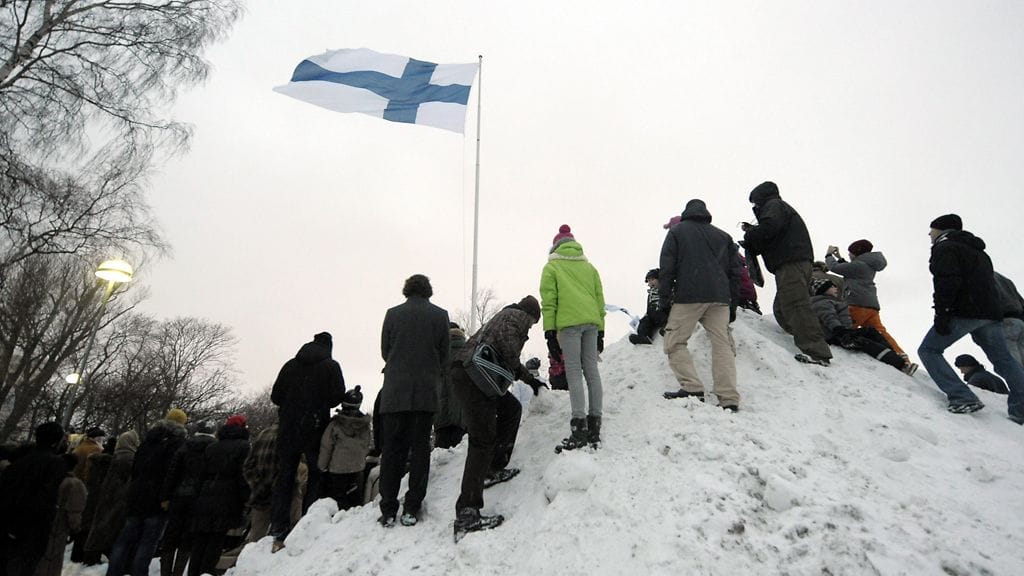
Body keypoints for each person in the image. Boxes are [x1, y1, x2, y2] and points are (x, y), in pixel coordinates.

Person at [451, 296, 545, 542]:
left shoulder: (506, 316)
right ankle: (467, 513)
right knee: (482, 439)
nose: (531, 327)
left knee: (511, 408)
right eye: (534, 323)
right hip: (473, 377)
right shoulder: (516, 318)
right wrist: (528, 377)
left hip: (473, 375)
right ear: (532, 315)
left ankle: (494, 466)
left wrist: (525, 376)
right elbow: (508, 349)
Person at [917, 213, 1024, 422]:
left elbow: (947, 281)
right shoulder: (979, 252)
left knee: (929, 350)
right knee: (1004, 360)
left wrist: (943, 313)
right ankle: (1021, 409)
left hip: (964, 311)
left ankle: (962, 397)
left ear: (942, 229)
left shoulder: (944, 247)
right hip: (991, 314)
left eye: (932, 229)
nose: (929, 233)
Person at [377, 274, 450, 527]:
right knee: (420, 450)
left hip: (395, 392)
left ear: (406, 290)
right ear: (428, 291)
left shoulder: (392, 314)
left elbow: (385, 351)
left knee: (392, 451)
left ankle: (387, 509)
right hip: (425, 392)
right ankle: (411, 507)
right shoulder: (440, 316)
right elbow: (445, 355)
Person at [658, 200, 743, 411]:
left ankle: (692, 386)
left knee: (674, 341)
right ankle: (729, 397)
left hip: (689, 294)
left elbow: (667, 268)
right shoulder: (723, 236)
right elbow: (736, 273)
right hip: (720, 297)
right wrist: (733, 303)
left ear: (686, 213)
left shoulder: (677, 232)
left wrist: (664, 300)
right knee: (722, 345)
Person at [741, 181, 832, 366]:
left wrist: (751, 235)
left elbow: (770, 228)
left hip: (791, 263)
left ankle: (817, 351)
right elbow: (773, 233)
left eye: (755, 202)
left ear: (761, 198)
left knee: (797, 305)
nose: (755, 206)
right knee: (782, 308)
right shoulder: (779, 208)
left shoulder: (774, 206)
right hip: (793, 263)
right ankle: (809, 335)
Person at [269, 331, 345, 549]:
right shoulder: (331, 366)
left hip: (288, 426)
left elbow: (275, 396)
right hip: (314, 426)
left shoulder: (290, 365)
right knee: (316, 474)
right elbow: (336, 396)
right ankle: (307, 524)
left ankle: (279, 529)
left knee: (284, 477)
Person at [540, 225, 606, 451]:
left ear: (555, 245)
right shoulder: (590, 268)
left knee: (574, 372)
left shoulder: (552, 267)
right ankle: (595, 426)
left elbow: (549, 301)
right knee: (592, 372)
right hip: (591, 323)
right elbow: (600, 301)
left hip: (568, 325)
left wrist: (549, 331)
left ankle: (579, 428)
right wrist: (601, 331)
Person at [106, 409, 187, 576]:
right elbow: (172, 473)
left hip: (136, 495)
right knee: (147, 543)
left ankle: (114, 571)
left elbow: (135, 468)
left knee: (125, 538)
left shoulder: (148, 440)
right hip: (157, 499)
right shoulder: (177, 444)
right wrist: (166, 497)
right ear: (182, 424)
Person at [809, 278, 917, 374]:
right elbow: (829, 317)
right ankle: (900, 365)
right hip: (836, 335)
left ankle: (893, 353)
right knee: (865, 342)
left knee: (870, 331)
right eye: (831, 286)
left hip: (844, 331)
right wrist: (839, 330)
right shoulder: (822, 302)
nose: (835, 287)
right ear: (824, 290)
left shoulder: (832, 301)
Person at [0, 422, 67, 576]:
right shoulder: (55, 464)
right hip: (32, 529)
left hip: (8, 523)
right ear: (56, 441)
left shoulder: (20, 460)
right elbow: (44, 498)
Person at [825, 239, 909, 360]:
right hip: (871, 306)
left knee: (844, 329)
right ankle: (900, 356)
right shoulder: (867, 265)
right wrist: (839, 256)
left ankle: (843, 353)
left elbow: (834, 267)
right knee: (881, 333)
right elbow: (849, 270)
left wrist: (828, 254)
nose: (849, 254)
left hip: (857, 304)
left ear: (857, 252)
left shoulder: (859, 265)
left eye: (851, 252)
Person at [188, 415, 250, 576]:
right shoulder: (244, 447)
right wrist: (246, 498)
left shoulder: (212, 447)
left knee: (200, 542)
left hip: (205, 496)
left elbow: (200, 476)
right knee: (216, 541)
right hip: (228, 498)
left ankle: (193, 572)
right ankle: (207, 572)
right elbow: (242, 475)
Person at [159, 420, 216, 576]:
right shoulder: (213, 449)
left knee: (171, 535)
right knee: (187, 538)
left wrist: (166, 496)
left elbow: (172, 473)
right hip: (198, 499)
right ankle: (178, 572)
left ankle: (165, 572)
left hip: (178, 496)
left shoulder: (185, 446)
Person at [243, 424, 305, 545]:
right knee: (293, 532)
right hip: (287, 492)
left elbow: (247, 465)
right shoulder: (294, 435)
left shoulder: (263, 434)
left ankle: (251, 561)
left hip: (261, 492)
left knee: (256, 538)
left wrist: (257, 484)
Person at [84, 431, 139, 565]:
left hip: (104, 497)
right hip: (119, 500)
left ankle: (91, 557)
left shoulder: (111, 457)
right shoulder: (129, 460)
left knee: (100, 528)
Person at [318, 386, 373, 511]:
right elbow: (366, 445)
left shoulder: (335, 424)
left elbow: (326, 447)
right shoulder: (364, 426)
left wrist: (322, 467)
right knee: (355, 504)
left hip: (337, 471)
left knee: (338, 502)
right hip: (358, 469)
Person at [35, 453, 87, 576]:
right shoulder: (74, 484)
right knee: (51, 561)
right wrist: (76, 528)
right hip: (58, 528)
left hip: (40, 526)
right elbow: (74, 511)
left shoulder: (46, 478)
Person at [73, 436, 116, 565]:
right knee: (97, 526)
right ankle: (91, 557)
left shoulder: (94, 460)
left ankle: (77, 554)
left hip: (89, 493)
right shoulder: (111, 463)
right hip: (101, 497)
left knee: (86, 524)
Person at [434, 322, 468, 449]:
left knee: (441, 460)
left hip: (440, 414)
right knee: (458, 460)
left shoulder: (437, 354)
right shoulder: (469, 353)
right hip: (463, 415)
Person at [993, 271, 1024, 366]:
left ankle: (1019, 380)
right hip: (1019, 320)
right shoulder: (1006, 280)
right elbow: (1021, 301)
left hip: (1005, 319)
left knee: (1013, 360)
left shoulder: (987, 276)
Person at [629, 268, 665, 345]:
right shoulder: (650, 294)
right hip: (653, 316)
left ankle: (668, 329)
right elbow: (649, 306)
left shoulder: (666, 289)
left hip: (664, 313)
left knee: (667, 315)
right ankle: (644, 336)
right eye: (649, 281)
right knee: (644, 321)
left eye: (652, 280)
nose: (650, 283)